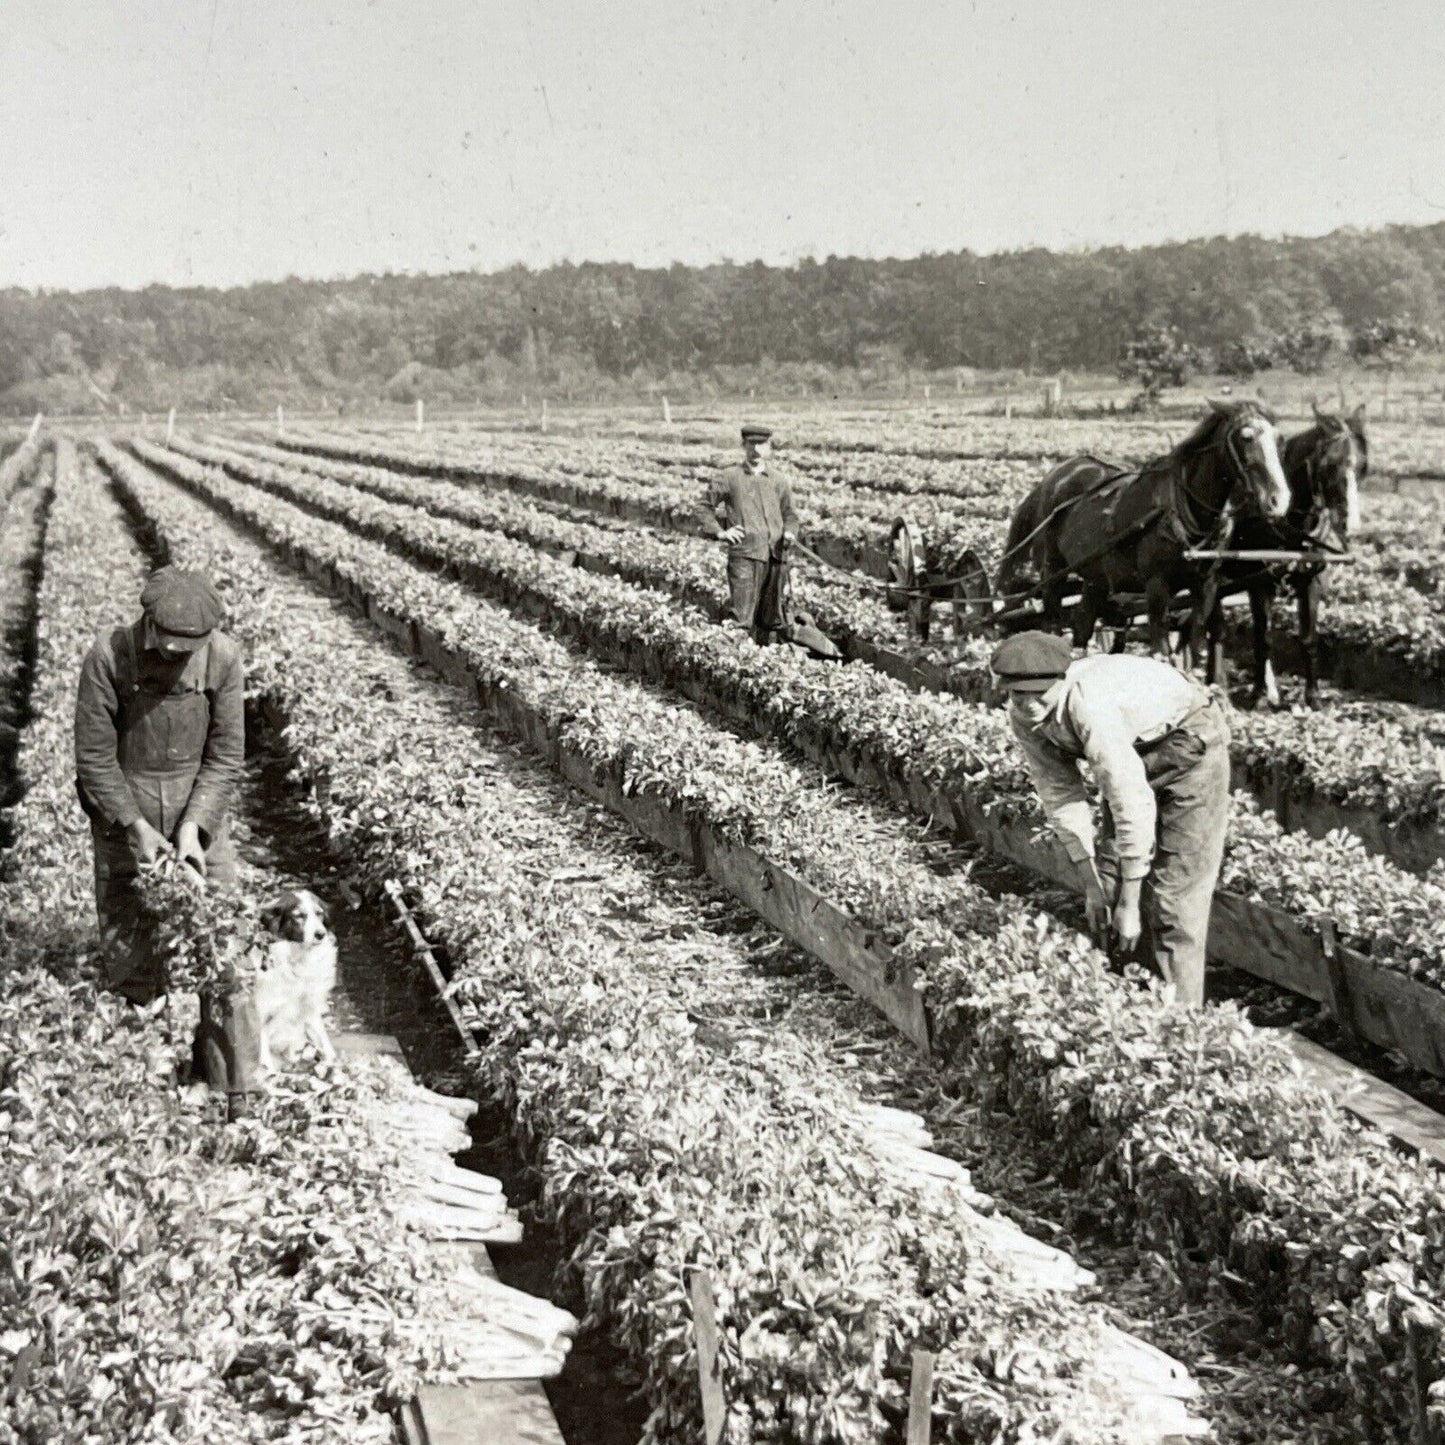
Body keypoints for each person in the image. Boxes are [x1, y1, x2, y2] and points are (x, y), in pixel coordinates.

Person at [74, 565, 260, 1118]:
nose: (178, 658)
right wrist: (135, 827)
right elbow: (94, 758)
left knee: (220, 943)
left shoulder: (223, 659)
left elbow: (227, 755)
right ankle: (146, 1084)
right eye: (170, 646)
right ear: (148, 626)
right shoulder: (109, 656)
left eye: (190, 649)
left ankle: (236, 1086)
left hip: (196, 807)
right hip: (122, 811)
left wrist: (192, 828)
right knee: (131, 947)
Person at [989, 631, 1231, 1008]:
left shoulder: (1091, 706)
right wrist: (1091, 886)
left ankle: (1179, 1024)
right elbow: (1062, 797)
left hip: (1188, 743)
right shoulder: (1025, 718)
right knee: (1109, 882)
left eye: (1039, 693)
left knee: (1173, 901)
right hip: (1131, 747)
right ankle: (1125, 1007)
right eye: (1017, 695)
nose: (1029, 704)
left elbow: (1128, 798)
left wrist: (1131, 907)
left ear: (1060, 680)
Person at [698, 424, 800, 641]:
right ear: (743, 445)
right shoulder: (729, 477)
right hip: (745, 554)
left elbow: (790, 514)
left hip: (776, 556)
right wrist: (720, 532)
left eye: (761, 445)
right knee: (741, 618)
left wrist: (790, 532)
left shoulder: (779, 480)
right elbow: (703, 507)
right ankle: (738, 660)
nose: (756, 450)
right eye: (751, 444)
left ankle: (767, 664)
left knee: (772, 619)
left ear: (769, 448)